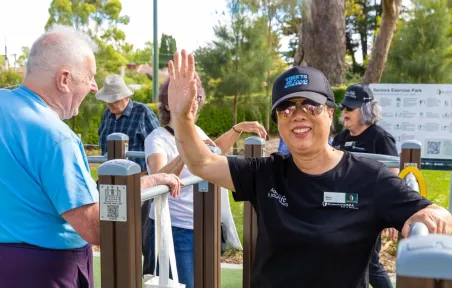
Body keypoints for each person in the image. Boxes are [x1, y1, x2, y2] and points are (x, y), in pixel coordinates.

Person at [165, 50, 452, 288]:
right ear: (278, 120)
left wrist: (433, 215)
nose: (298, 115)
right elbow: (201, 162)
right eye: (286, 108)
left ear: (330, 113)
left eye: (310, 106)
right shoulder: (266, 174)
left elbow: (433, 213)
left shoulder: (369, 178)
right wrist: (181, 117)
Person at [0, 25, 182, 288]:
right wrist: (147, 182)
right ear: (64, 80)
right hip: (36, 271)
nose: (94, 87)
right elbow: (96, 228)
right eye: (90, 77)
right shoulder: (57, 137)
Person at [144, 74, 267, 288]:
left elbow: (213, 154)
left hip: (203, 225)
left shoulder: (196, 131)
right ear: (168, 102)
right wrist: (187, 149)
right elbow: (158, 176)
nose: (193, 102)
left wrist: (237, 129)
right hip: (175, 228)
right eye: (187, 96)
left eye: (197, 96)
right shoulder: (157, 138)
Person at [332, 84, 400, 288]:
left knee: (370, 263)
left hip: (368, 209)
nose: (344, 112)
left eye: (350, 108)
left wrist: (389, 214)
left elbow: (392, 179)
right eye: (343, 107)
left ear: (366, 110)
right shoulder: (340, 138)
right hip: (339, 208)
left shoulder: (380, 138)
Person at [95, 73, 161, 275]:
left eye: (113, 101)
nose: (110, 105)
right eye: (107, 101)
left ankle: (148, 274)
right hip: (110, 181)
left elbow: (157, 143)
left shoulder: (143, 113)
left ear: (125, 97)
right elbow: (102, 143)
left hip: (139, 179)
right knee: (110, 229)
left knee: (145, 234)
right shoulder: (107, 115)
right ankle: (116, 271)